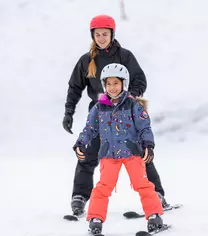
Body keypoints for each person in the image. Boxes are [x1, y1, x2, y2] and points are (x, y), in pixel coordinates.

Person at [63, 14, 169, 217]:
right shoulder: (87, 60)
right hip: (99, 113)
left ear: (112, 34)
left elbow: (139, 79)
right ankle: (80, 196)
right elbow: (74, 87)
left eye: (105, 34)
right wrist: (69, 112)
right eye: (97, 34)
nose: (101, 38)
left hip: (125, 114)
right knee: (87, 151)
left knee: (139, 154)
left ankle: (157, 194)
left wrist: (129, 97)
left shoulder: (125, 56)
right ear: (92, 35)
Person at [73, 63, 164, 234]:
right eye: (108, 84)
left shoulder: (133, 105)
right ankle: (96, 218)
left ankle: (154, 215)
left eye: (116, 83)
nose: (112, 87)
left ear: (124, 83)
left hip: (132, 153)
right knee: (103, 187)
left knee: (142, 184)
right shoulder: (99, 107)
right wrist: (81, 142)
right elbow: (90, 128)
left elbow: (145, 127)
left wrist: (148, 145)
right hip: (109, 154)